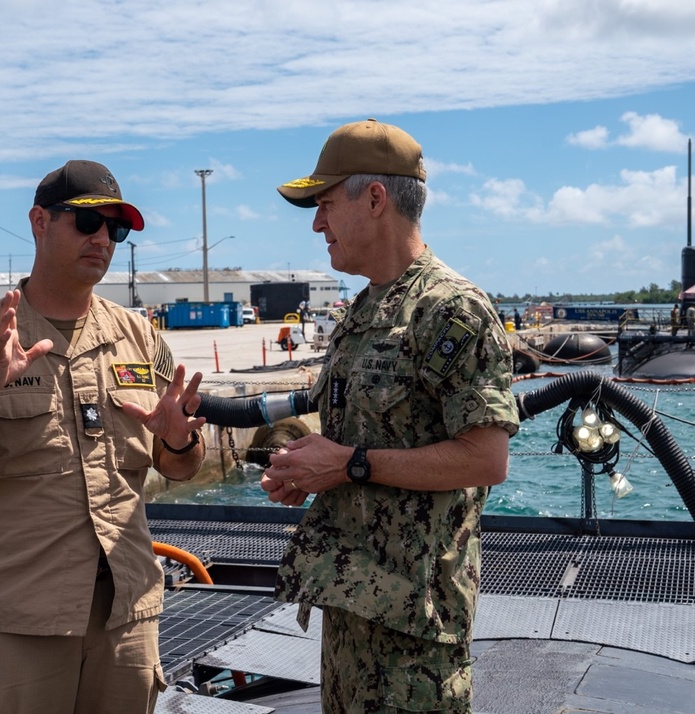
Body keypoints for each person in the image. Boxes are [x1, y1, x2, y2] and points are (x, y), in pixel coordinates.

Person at [0, 160, 207, 713]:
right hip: (16, 624)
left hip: (127, 616)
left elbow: (180, 465)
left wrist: (180, 442)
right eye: (87, 222)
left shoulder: (139, 336)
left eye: (115, 228)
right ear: (39, 221)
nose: (103, 239)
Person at [263, 119, 520, 712]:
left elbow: (486, 458)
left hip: (415, 635)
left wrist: (348, 465)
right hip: (353, 611)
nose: (317, 223)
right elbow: (360, 447)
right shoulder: (365, 310)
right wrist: (309, 471)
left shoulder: (450, 310)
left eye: (326, 204)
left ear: (375, 199)